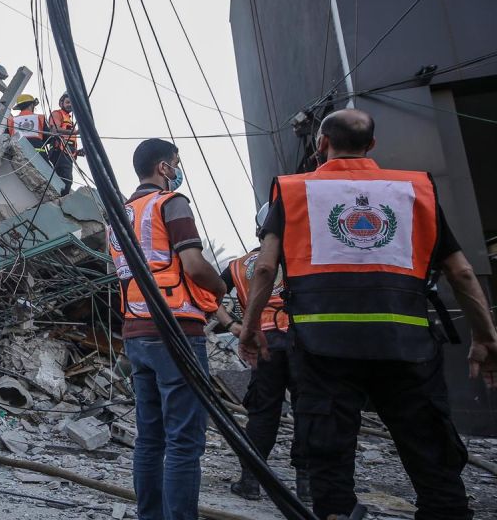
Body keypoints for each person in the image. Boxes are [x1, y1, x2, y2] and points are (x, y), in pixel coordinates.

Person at [240, 108, 497, 520]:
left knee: (329, 459)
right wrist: (485, 336)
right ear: (372, 145)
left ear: (322, 143)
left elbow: (266, 268)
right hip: (406, 347)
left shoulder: (293, 190)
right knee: (433, 457)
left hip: (324, 350)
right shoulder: (415, 189)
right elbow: (462, 272)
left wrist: (250, 327)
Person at [108, 138, 226, 520]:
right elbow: (193, 265)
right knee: (184, 442)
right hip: (176, 332)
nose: (177, 170)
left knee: (150, 438)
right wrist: (220, 288)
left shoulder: (119, 214)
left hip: (136, 331)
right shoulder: (170, 203)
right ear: (163, 167)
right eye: (175, 163)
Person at [218, 204, 308, 503]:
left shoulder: (237, 266)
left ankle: (251, 481)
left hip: (262, 343)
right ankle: (307, 483)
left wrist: (231, 325)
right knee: (308, 409)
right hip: (300, 341)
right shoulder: (299, 259)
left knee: (263, 412)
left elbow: (208, 295)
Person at [46, 93, 80, 194]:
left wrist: (77, 152)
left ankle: (58, 196)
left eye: (72, 103)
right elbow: (54, 130)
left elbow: (70, 142)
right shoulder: (57, 113)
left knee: (66, 180)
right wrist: (74, 132)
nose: (70, 105)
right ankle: (59, 198)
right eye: (68, 102)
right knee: (66, 180)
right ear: (61, 103)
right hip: (59, 151)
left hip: (67, 154)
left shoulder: (69, 119)